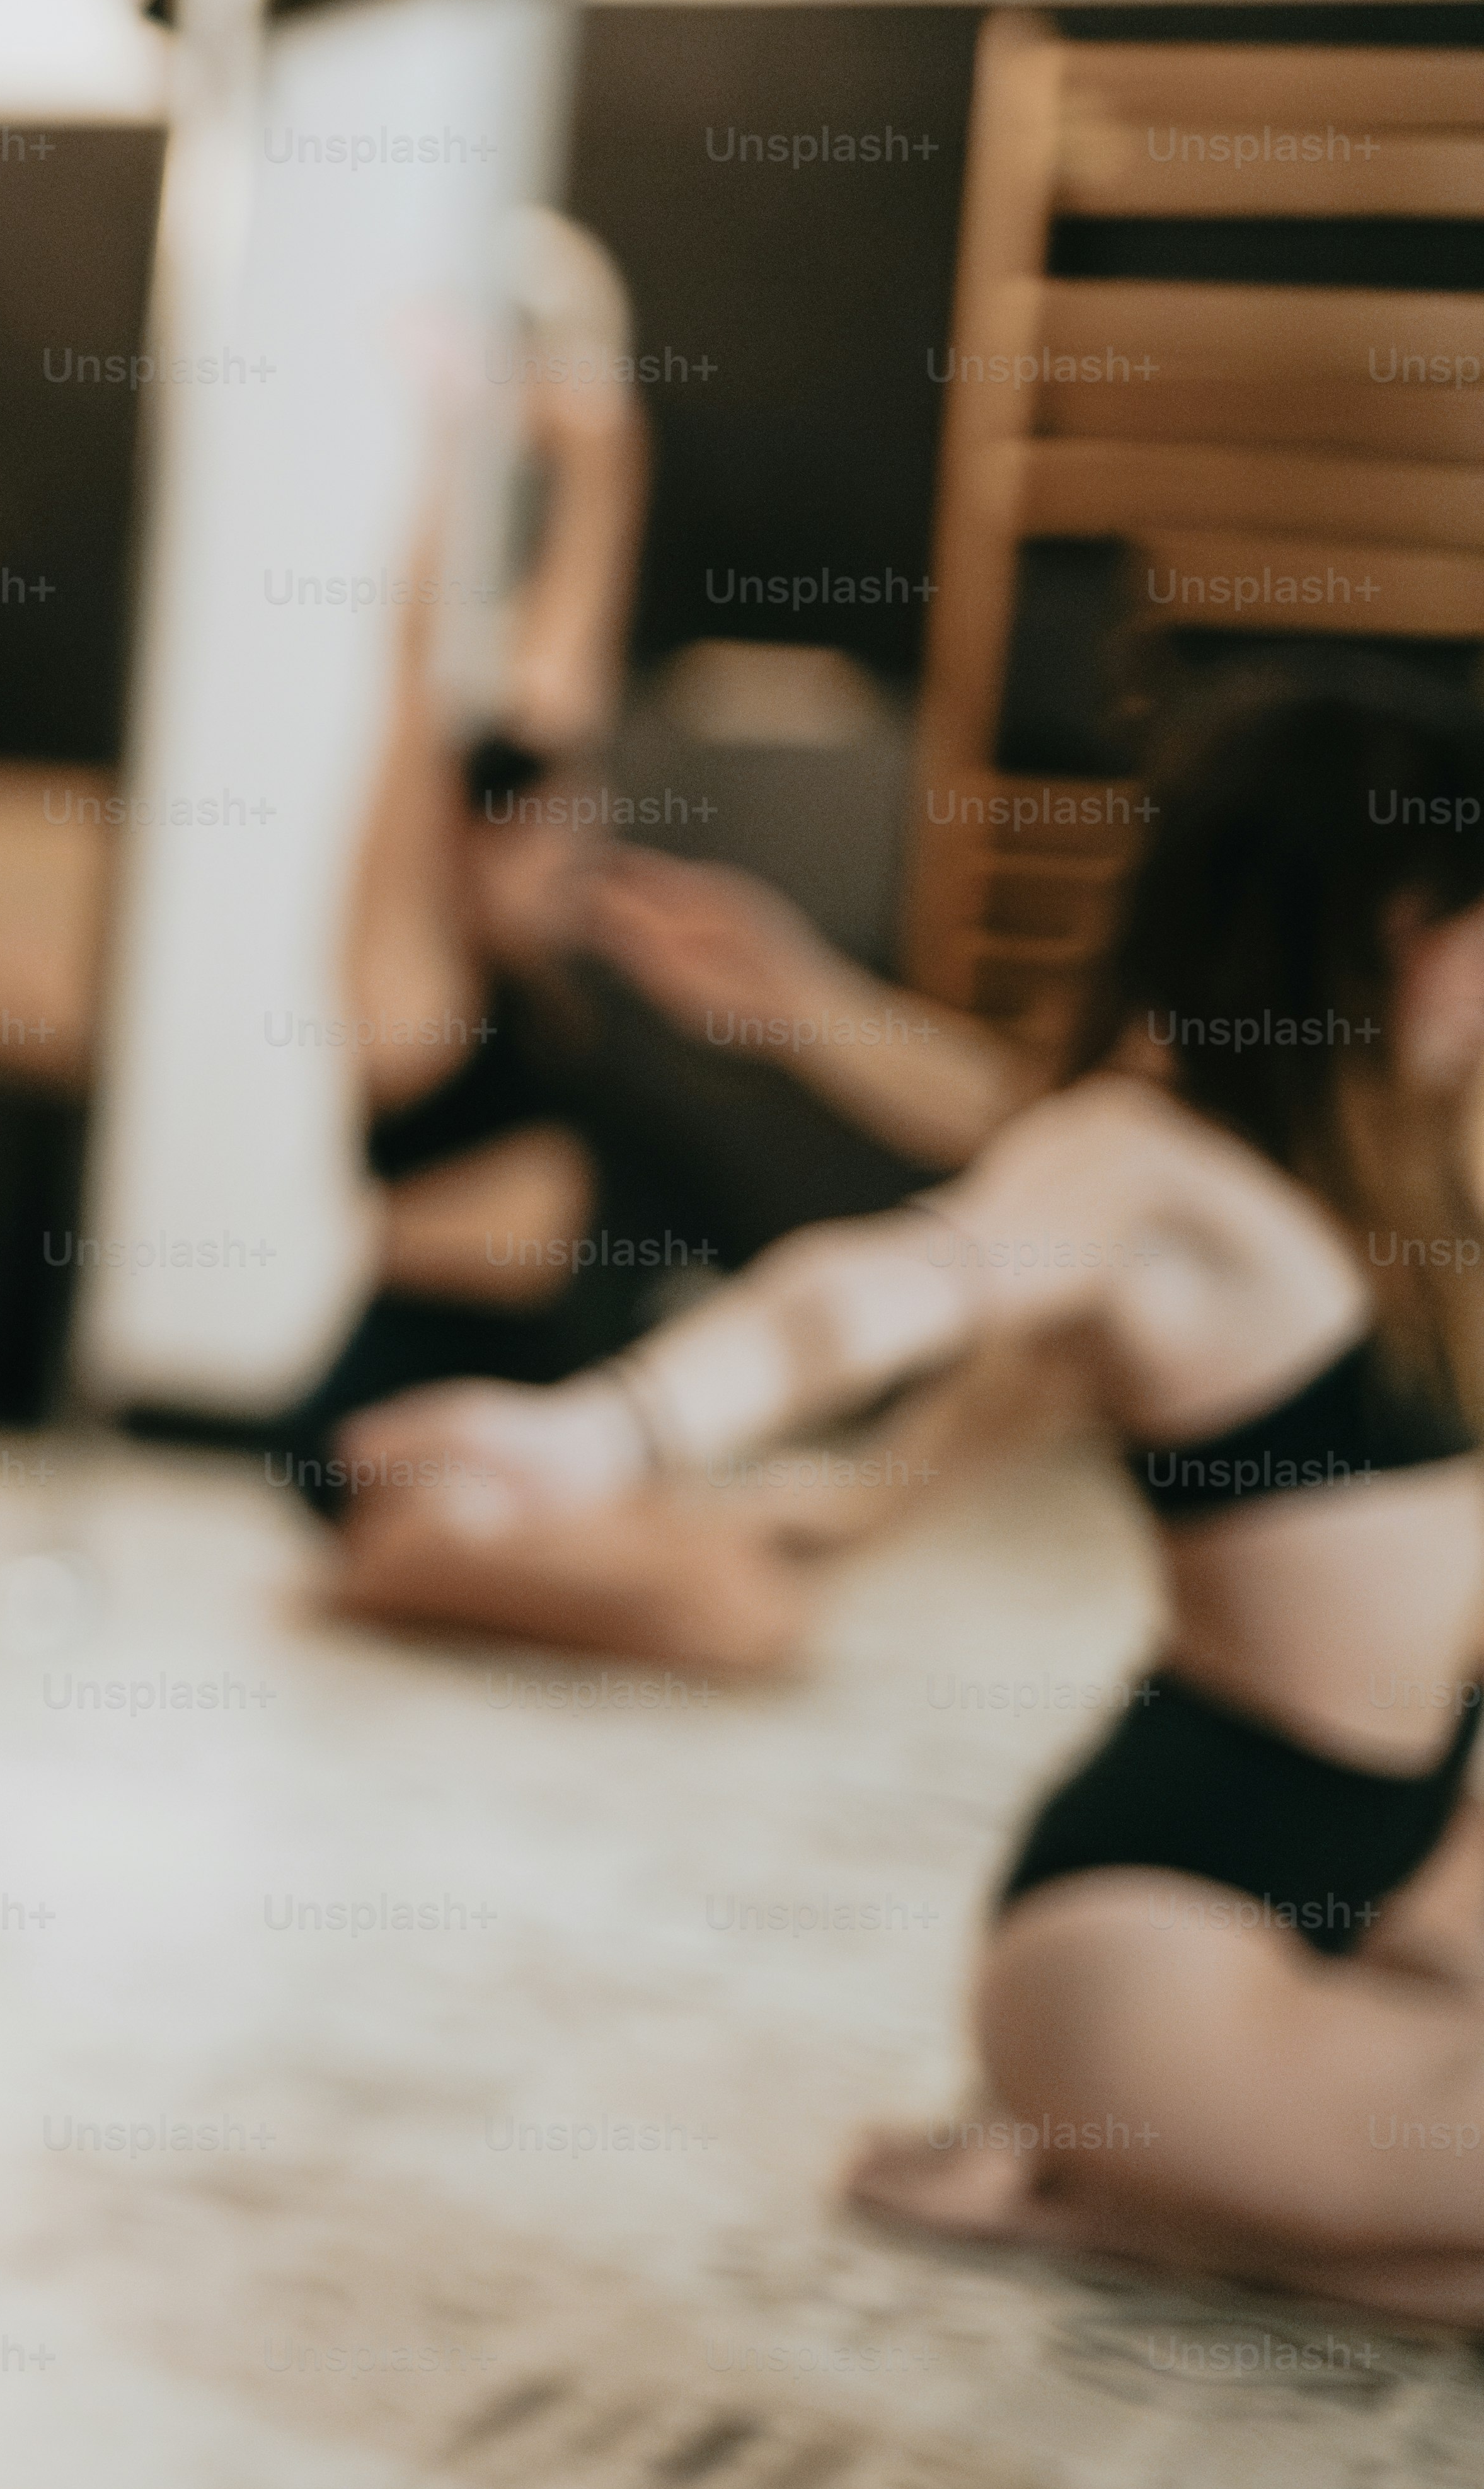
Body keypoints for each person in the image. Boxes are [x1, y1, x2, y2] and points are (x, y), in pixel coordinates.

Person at [348, 668, 1484, 2316]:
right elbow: (885, 1284)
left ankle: (1142, 2203)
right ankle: (1130, 2187)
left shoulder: (1405, 1165)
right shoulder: (1150, 1166)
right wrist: (609, 1433)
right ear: (1384, 922)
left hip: (1405, 1854)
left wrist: (808, 1007)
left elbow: (990, 1122)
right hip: (1168, 1939)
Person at [292, 216, 1044, 1669]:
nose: (579, 845)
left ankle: (454, 1553)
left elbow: (570, 664)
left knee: (759, 1598)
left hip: (552, 1394)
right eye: (548, 827)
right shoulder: (411, 973)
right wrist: (449, 438)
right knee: (734, 1618)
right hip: (406, 1406)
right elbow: (404, 689)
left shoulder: (558, 974)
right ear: (468, 834)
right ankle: (380, 1554)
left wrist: (602, 448)